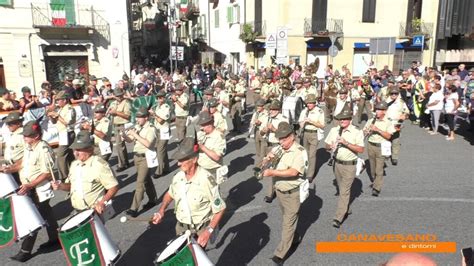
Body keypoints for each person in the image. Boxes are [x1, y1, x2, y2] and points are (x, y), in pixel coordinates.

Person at [0, 121, 59, 262]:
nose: (24, 138)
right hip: (30, 186)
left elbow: (46, 173)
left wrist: (30, 185)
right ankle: (55, 238)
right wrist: (10, 168)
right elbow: (23, 162)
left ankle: (25, 251)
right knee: (46, 213)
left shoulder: (44, 150)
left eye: (28, 136)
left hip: (38, 189)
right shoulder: (29, 146)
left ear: (37, 136)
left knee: (33, 218)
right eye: (24, 135)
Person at [151, 137, 226, 248]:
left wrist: (208, 231)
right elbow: (169, 194)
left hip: (200, 230)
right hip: (181, 228)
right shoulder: (178, 177)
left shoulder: (206, 180)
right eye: (178, 160)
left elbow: (220, 209)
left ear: (194, 159)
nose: (178, 164)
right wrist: (161, 210)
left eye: (182, 160)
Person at [261, 122, 307, 265]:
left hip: (292, 193)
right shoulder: (279, 149)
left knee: (288, 222)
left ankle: (280, 254)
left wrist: (272, 172)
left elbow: (294, 172)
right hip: (280, 191)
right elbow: (263, 166)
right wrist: (266, 160)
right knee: (288, 219)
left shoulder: (299, 151)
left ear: (292, 137)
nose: (282, 142)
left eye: (284, 139)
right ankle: (294, 237)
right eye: (279, 139)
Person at [51, 130, 119, 216]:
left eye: (79, 150)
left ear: (90, 149)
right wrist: (60, 186)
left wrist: (102, 202)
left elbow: (113, 186)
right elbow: (71, 186)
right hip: (77, 211)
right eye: (74, 150)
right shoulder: (74, 164)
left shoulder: (99, 165)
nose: (75, 153)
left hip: (93, 211)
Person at [324, 108, 364, 228]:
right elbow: (326, 145)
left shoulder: (357, 132)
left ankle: (338, 217)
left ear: (350, 120)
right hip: (337, 164)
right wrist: (330, 146)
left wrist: (346, 143)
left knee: (345, 191)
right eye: (341, 119)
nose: (342, 121)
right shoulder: (334, 130)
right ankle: (346, 207)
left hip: (349, 165)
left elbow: (361, 149)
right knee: (342, 189)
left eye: (345, 119)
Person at [124, 107, 158, 217]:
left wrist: (135, 135)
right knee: (146, 179)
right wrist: (124, 136)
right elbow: (130, 140)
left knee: (140, 182)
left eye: (140, 117)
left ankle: (134, 208)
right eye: (137, 117)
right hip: (137, 156)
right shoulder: (137, 127)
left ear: (146, 118)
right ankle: (153, 199)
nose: (137, 119)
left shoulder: (151, 128)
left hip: (145, 157)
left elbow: (148, 144)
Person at [259, 99, 289, 203]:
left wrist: (274, 129)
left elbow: (286, 135)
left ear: (278, 110)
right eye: (270, 109)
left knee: (275, 169)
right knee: (268, 166)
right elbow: (261, 132)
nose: (271, 111)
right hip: (268, 144)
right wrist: (264, 130)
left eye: (273, 109)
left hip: (278, 146)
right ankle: (275, 188)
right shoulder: (268, 118)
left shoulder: (283, 119)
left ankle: (270, 193)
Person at [363, 102, 395, 196]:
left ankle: (377, 188)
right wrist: (366, 132)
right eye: (376, 109)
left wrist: (377, 130)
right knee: (372, 168)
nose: (376, 112)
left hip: (381, 146)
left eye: (379, 110)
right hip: (371, 145)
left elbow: (389, 136)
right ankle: (375, 181)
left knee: (379, 169)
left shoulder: (388, 122)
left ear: (384, 111)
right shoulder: (371, 120)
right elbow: (364, 131)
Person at [47, 90, 76, 180]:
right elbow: (55, 121)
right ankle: (73, 172)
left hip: (67, 133)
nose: (57, 102)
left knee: (60, 155)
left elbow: (67, 122)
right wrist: (51, 116)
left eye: (59, 100)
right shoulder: (60, 109)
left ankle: (63, 176)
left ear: (65, 100)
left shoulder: (70, 109)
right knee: (69, 155)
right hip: (62, 134)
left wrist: (57, 116)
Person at [298, 94, 325, 182]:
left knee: (312, 155)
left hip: (314, 134)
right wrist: (302, 123)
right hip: (305, 133)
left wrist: (311, 122)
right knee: (304, 154)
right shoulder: (304, 111)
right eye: (307, 103)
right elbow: (300, 122)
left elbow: (322, 125)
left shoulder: (319, 111)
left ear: (314, 103)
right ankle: (304, 171)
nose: (308, 105)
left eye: (310, 103)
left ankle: (310, 175)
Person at [196, 111, 226, 179]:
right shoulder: (201, 133)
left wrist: (202, 147)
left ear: (210, 123)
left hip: (212, 171)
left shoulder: (219, 136)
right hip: (200, 168)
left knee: (212, 189)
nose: (202, 128)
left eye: (203, 125)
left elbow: (217, 157)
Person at [385, 87, 409, 165]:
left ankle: (394, 157)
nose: (394, 95)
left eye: (396, 94)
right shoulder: (386, 101)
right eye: (392, 93)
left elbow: (407, 111)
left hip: (397, 123)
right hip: (387, 123)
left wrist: (404, 115)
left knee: (396, 141)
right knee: (386, 140)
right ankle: (387, 154)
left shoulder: (401, 102)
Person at [109, 88, 131, 171]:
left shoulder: (126, 103)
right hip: (115, 124)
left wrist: (116, 113)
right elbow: (110, 110)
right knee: (120, 145)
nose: (119, 97)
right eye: (117, 96)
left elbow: (128, 116)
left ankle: (122, 164)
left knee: (119, 145)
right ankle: (125, 161)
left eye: (120, 95)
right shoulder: (114, 103)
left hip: (123, 125)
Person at [150, 91, 171, 178]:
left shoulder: (166, 107)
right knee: (162, 150)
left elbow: (161, 120)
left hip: (164, 130)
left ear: (164, 98)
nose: (159, 99)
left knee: (160, 150)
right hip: (158, 129)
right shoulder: (158, 106)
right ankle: (166, 168)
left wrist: (154, 114)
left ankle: (159, 171)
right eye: (158, 98)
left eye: (161, 97)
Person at [1, 112, 25, 184]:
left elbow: (30, 153)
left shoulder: (23, 135)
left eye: (10, 124)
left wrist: (17, 165)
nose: (8, 126)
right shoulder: (13, 134)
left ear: (19, 123)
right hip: (10, 166)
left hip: (19, 167)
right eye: (7, 124)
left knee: (26, 191)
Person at [250, 99, 268, 168]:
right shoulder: (256, 113)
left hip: (263, 132)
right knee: (258, 150)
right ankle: (263, 162)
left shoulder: (267, 114)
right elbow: (252, 121)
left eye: (259, 106)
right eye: (257, 106)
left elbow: (266, 124)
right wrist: (254, 123)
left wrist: (260, 123)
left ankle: (259, 167)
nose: (258, 107)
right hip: (256, 131)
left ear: (263, 106)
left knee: (263, 151)